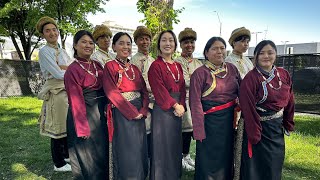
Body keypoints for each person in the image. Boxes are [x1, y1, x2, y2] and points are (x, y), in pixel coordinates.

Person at [239, 40, 295, 180]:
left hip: (276, 128)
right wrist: (254, 133)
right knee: (256, 167)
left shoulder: (284, 74)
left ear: (275, 55)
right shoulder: (251, 78)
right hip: (257, 128)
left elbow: (290, 100)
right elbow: (248, 108)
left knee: (274, 164)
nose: (266, 56)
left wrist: (288, 122)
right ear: (256, 56)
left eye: (270, 53)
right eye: (262, 53)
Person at [189, 37, 241, 179]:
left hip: (229, 120)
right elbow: (195, 103)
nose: (219, 51)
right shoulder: (200, 73)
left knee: (226, 154)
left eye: (222, 48)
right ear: (206, 53)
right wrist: (199, 130)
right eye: (215, 48)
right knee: (208, 156)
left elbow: (242, 92)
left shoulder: (232, 69)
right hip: (209, 122)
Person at [103, 32, 149, 179]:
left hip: (139, 113)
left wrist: (143, 109)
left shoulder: (134, 69)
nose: (125, 46)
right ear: (114, 46)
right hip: (123, 113)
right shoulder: (110, 66)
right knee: (127, 147)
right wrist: (131, 112)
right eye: (121, 43)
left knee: (139, 146)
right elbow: (111, 92)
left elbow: (144, 92)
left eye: (128, 44)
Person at [64, 30, 108, 179]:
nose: (88, 45)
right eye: (83, 42)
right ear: (75, 45)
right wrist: (82, 128)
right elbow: (75, 100)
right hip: (84, 113)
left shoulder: (97, 65)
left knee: (102, 151)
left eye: (91, 43)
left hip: (100, 113)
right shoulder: (72, 70)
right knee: (88, 154)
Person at [148, 30, 186, 180]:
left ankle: (173, 175)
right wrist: (175, 105)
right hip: (163, 111)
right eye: (164, 40)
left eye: (171, 40)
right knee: (162, 145)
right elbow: (159, 90)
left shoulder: (178, 65)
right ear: (158, 45)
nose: (167, 43)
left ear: (175, 44)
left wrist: (182, 105)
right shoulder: (155, 66)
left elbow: (182, 88)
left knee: (174, 144)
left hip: (177, 111)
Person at [36, 16, 72, 172]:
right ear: (43, 34)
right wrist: (66, 70)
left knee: (66, 123)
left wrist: (65, 68)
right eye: (47, 31)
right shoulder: (44, 52)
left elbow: (71, 68)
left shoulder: (62, 51)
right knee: (57, 127)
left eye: (54, 29)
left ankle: (66, 155)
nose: (52, 33)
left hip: (66, 90)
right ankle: (58, 163)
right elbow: (58, 74)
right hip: (55, 91)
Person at [225, 27, 254, 180]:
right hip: (236, 106)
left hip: (249, 105)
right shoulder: (228, 61)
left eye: (247, 41)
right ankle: (234, 173)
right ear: (233, 42)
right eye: (242, 41)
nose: (246, 44)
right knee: (235, 140)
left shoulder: (248, 60)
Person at [175, 27, 202, 171]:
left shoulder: (198, 62)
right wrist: (198, 82)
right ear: (181, 45)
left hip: (198, 100)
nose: (189, 45)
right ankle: (181, 156)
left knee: (195, 131)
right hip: (184, 99)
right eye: (186, 43)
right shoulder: (177, 61)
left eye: (192, 42)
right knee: (185, 130)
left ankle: (187, 156)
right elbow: (184, 81)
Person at [131, 26, 155, 160]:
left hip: (155, 100)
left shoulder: (152, 59)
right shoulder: (134, 60)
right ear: (136, 41)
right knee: (144, 131)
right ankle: (143, 158)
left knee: (153, 131)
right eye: (141, 39)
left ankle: (151, 157)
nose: (145, 42)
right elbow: (138, 82)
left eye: (147, 39)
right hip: (143, 100)